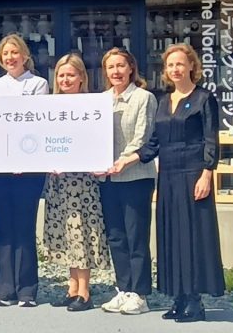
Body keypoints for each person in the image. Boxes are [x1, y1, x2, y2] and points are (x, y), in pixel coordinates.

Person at [136, 43, 226, 322]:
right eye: (170, 65)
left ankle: (194, 301)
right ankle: (178, 296)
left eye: (180, 64)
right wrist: (125, 161)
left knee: (193, 236)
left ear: (191, 66)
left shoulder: (203, 98)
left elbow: (211, 139)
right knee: (171, 235)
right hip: (168, 177)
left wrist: (207, 173)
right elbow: (153, 143)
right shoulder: (163, 101)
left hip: (193, 174)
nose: (175, 69)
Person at [0, 33, 49, 307]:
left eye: (14, 52)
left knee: (24, 226)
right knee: (3, 227)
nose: (10, 58)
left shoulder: (38, 84)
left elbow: (36, 123)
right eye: (5, 54)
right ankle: (4, 289)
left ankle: (27, 290)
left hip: (28, 169)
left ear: (25, 55)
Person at [43, 53, 110, 312]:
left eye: (71, 75)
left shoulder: (93, 105)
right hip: (58, 180)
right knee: (66, 233)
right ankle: (72, 288)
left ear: (82, 77)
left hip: (82, 181)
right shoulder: (50, 106)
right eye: (61, 75)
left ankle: (84, 291)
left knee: (81, 231)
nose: (65, 80)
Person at [98, 47, 158, 315]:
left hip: (135, 176)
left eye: (121, 66)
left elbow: (142, 138)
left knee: (136, 236)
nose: (116, 71)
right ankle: (123, 289)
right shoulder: (101, 101)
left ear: (131, 68)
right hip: (107, 178)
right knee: (116, 236)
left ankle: (140, 294)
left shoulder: (144, 98)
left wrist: (121, 162)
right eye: (111, 67)